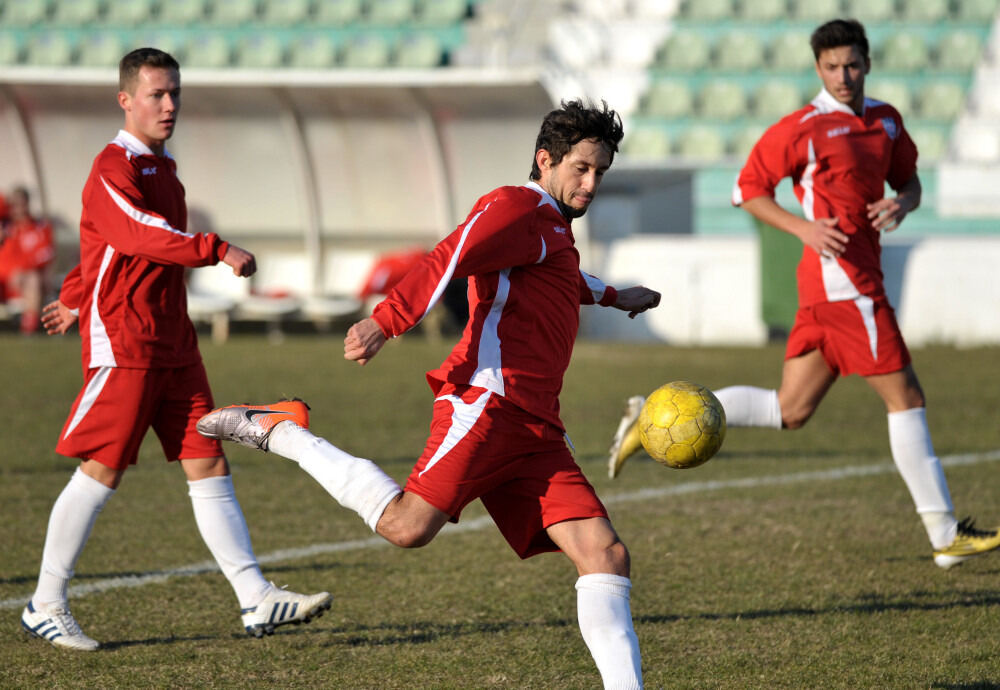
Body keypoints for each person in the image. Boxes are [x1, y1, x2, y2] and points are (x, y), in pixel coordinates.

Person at [198, 100, 660, 689]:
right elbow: (452, 253)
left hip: (536, 426)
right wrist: (386, 320)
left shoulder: (549, 229)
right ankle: (282, 430)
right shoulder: (515, 206)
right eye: (582, 169)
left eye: (601, 172)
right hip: (487, 404)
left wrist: (618, 297)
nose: (591, 184)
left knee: (605, 556)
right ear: (545, 160)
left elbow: (563, 276)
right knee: (407, 528)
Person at [606, 19, 1000, 570]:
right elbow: (748, 189)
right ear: (818, 68)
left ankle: (650, 419)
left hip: (840, 287)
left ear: (867, 62)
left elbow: (909, 181)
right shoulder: (805, 127)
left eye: (852, 64)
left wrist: (903, 203)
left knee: (789, 411)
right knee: (905, 399)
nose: (843, 76)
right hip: (846, 286)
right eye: (832, 67)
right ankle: (943, 533)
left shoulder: (886, 121)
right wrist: (803, 229)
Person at [19, 48, 331, 652]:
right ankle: (45, 603)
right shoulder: (114, 164)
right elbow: (135, 231)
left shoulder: (164, 166)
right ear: (126, 100)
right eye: (157, 94)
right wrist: (216, 248)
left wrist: (77, 294)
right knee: (102, 468)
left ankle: (255, 598)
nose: (169, 105)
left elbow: (111, 248)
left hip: (173, 341)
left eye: (175, 94)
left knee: (208, 460)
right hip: (128, 341)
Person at [0, 186, 56, 333]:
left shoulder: (39, 227)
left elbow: (46, 254)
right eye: (13, 205)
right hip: (4, 281)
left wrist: (21, 270)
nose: (17, 209)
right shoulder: (6, 228)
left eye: (21, 204)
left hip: (24, 280)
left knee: (32, 279)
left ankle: (28, 329)